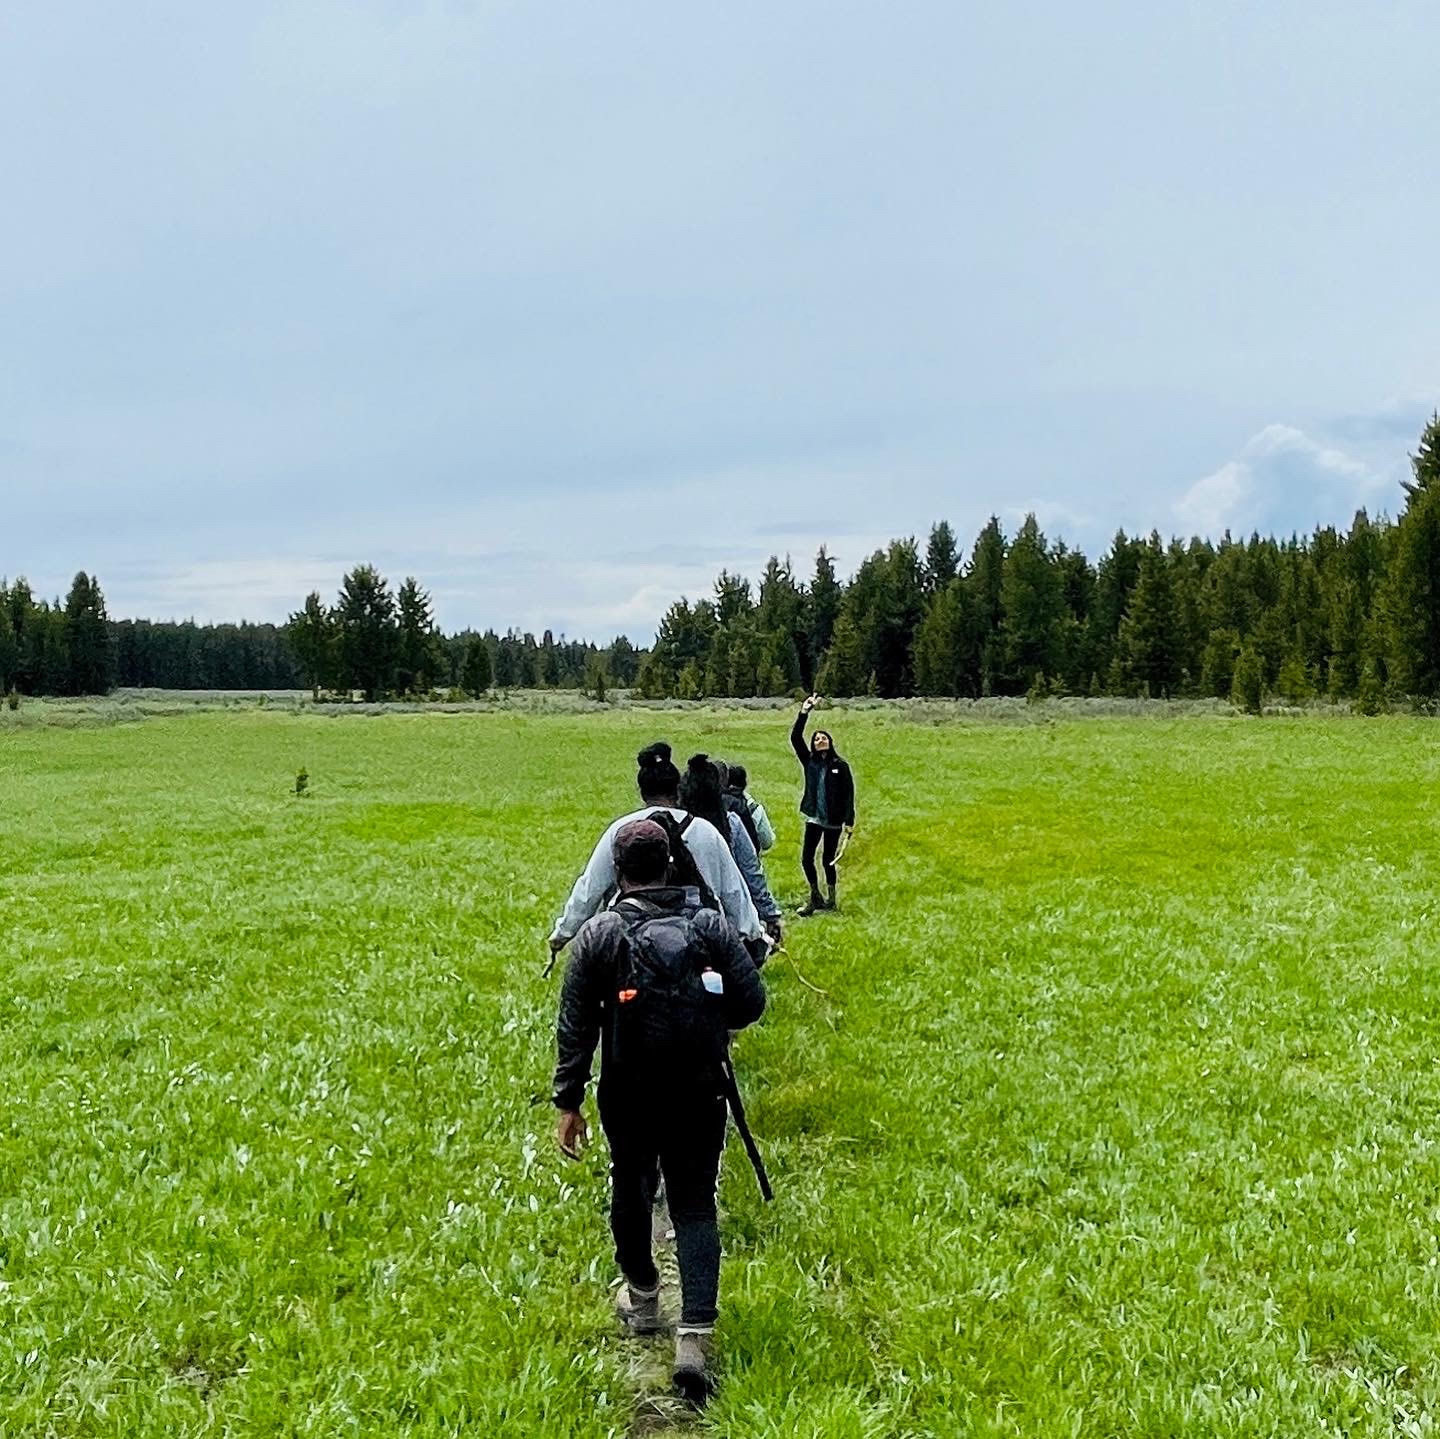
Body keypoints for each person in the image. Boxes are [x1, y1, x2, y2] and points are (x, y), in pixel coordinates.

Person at [553, 819, 766, 1404]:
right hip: (700, 1089)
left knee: (630, 1187)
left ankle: (643, 1297)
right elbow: (751, 1004)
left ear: (619, 871)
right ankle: (694, 1338)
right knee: (695, 1205)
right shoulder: (708, 926)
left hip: (629, 1090)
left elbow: (576, 1026)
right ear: (671, 861)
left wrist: (567, 1102)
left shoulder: (599, 935)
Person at [549, 742, 763, 957]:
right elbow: (734, 892)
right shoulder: (706, 832)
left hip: (633, 944)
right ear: (677, 789)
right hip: (699, 943)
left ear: (642, 791)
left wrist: (563, 933)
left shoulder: (621, 830)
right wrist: (753, 933)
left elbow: (590, 889)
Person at [679, 755, 783, 953]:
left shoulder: (669, 825)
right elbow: (750, 872)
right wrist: (769, 915)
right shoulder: (730, 824)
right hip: (725, 921)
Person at [790, 694, 855, 915]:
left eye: (823, 738)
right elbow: (795, 738)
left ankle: (832, 900)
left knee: (828, 860)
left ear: (830, 742)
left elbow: (849, 793)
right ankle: (814, 896)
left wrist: (849, 821)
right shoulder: (810, 761)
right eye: (816, 738)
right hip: (814, 817)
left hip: (834, 820)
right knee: (807, 858)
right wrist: (804, 711)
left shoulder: (840, 765)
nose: (820, 740)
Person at [722, 763, 775, 854]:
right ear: (744, 784)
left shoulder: (713, 804)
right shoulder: (755, 809)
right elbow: (767, 842)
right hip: (747, 861)